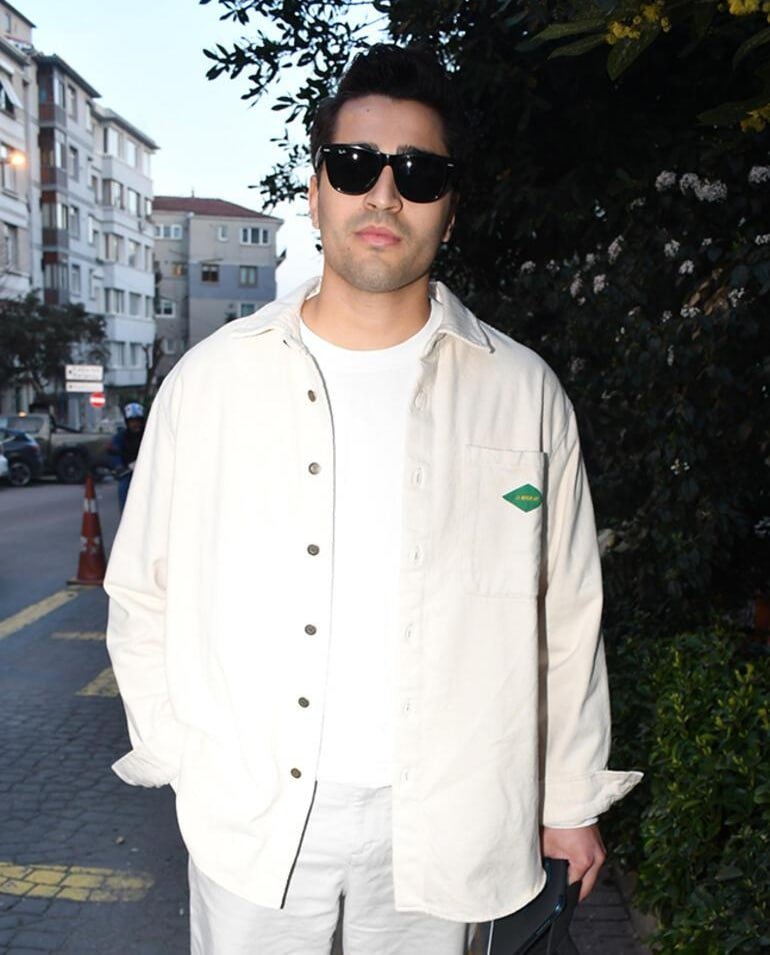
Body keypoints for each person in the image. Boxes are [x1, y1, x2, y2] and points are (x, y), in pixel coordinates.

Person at [105, 44, 642, 955]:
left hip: (450, 817)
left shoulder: (521, 391)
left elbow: (566, 612)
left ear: (450, 208)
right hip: (256, 813)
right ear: (316, 191)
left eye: (419, 173)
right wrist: (186, 754)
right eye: (355, 165)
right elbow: (142, 587)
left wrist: (569, 798)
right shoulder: (211, 382)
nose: (385, 195)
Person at [107, 402, 145, 512]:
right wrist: (119, 466)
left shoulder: (148, 435)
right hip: (128, 472)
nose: (135, 424)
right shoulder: (121, 437)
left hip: (147, 472)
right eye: (132, 421)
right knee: (124, 488)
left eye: (138, 421)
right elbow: (113, 452)